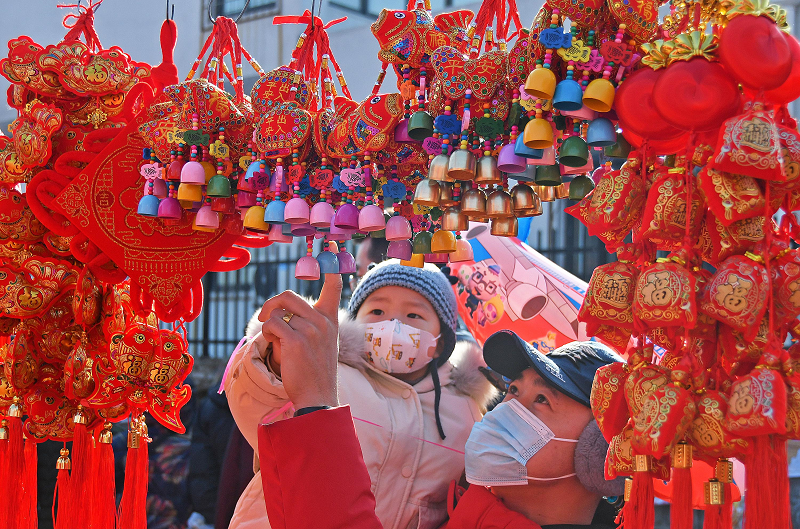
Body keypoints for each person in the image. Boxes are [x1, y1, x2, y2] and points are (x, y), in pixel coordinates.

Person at [254, 275, 625, 529]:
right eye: (513, 391)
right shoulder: (464, 510)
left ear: (600, 451)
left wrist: (316, 409)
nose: (510, 410)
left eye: (542, 399)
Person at [224, 260, 497, 529]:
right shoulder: (327, 373)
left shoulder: (466, 414)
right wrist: (279, 361)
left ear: (441, 343)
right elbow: (258, 401)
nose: (393, 323)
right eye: (377, 310)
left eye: (414, 315)